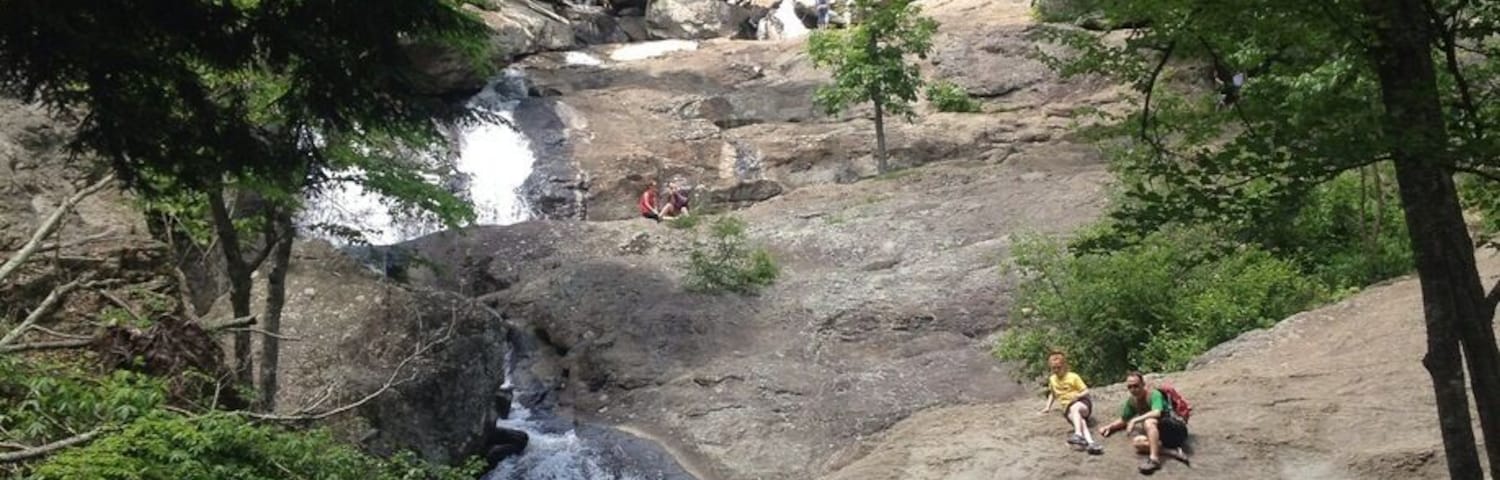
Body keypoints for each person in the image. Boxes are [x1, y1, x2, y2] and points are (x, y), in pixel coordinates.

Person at [1098, 371, 1190, 474]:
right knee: (1138, 443)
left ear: (1143, 384)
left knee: (1149, 422)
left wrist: (1135, 420)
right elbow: (1124, 420)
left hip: (1176, 431)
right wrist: (1110, 427)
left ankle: (1154, 460)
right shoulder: (1132, 401)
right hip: (1161, 438)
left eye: (1136, 386)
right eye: (1130, 387)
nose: (1133, 389)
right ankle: (1172, 451)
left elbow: (1157, 413)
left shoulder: (1154, 394)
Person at [1040, 351, 1102, 454]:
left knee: (1075, 408)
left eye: (1058, 367)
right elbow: (1053, 394)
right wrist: (1047, 407)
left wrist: (1077, 396)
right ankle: (1091, 443)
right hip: (1067, 408)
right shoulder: (1052, 379)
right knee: (1080, 421)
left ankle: (1077, 434)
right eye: (1053, 368)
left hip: (1082, 403)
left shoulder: (1073, 376)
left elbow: (1086, 391)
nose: (1056, 370)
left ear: (1064, 366)